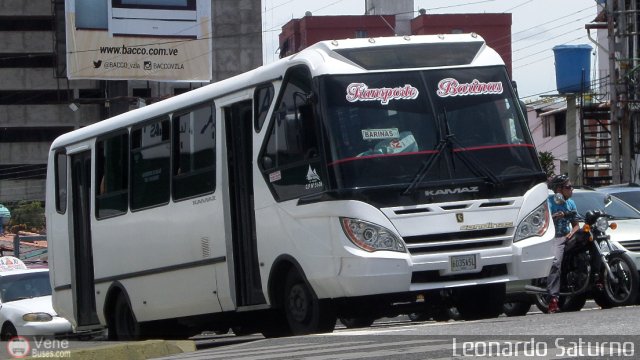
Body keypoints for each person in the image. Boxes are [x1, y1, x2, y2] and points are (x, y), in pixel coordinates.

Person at [545, 174, 580, 313]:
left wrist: (573, 232)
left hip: (568, 236)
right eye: (568, 187)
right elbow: (544, 221)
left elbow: (576, 224)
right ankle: (553, 299)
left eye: (571, 187)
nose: (571, 190)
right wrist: (554, 217)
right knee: (555, 263)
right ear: (558, 189)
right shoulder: (549, 202)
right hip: (556, 238)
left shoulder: (571, 203)